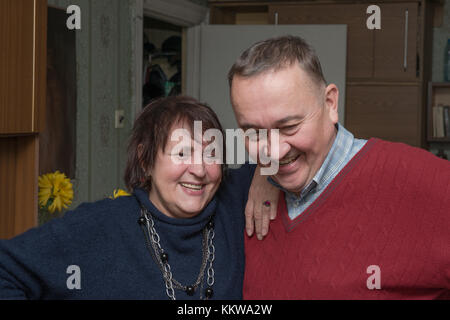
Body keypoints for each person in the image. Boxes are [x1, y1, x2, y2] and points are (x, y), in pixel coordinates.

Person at [228, 35, 450, 299]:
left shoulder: (420, 180)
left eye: (288, 127)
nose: (273, 152)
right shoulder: (244, 192)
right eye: (253, 132)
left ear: (331, 103)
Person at [0, 96, 274, 300]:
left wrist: (265, 174)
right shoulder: (99, 225)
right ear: (145, 160)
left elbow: (288, 150)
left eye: (211, 154)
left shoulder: (235, 199)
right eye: (182, 154)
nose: (200, 170)